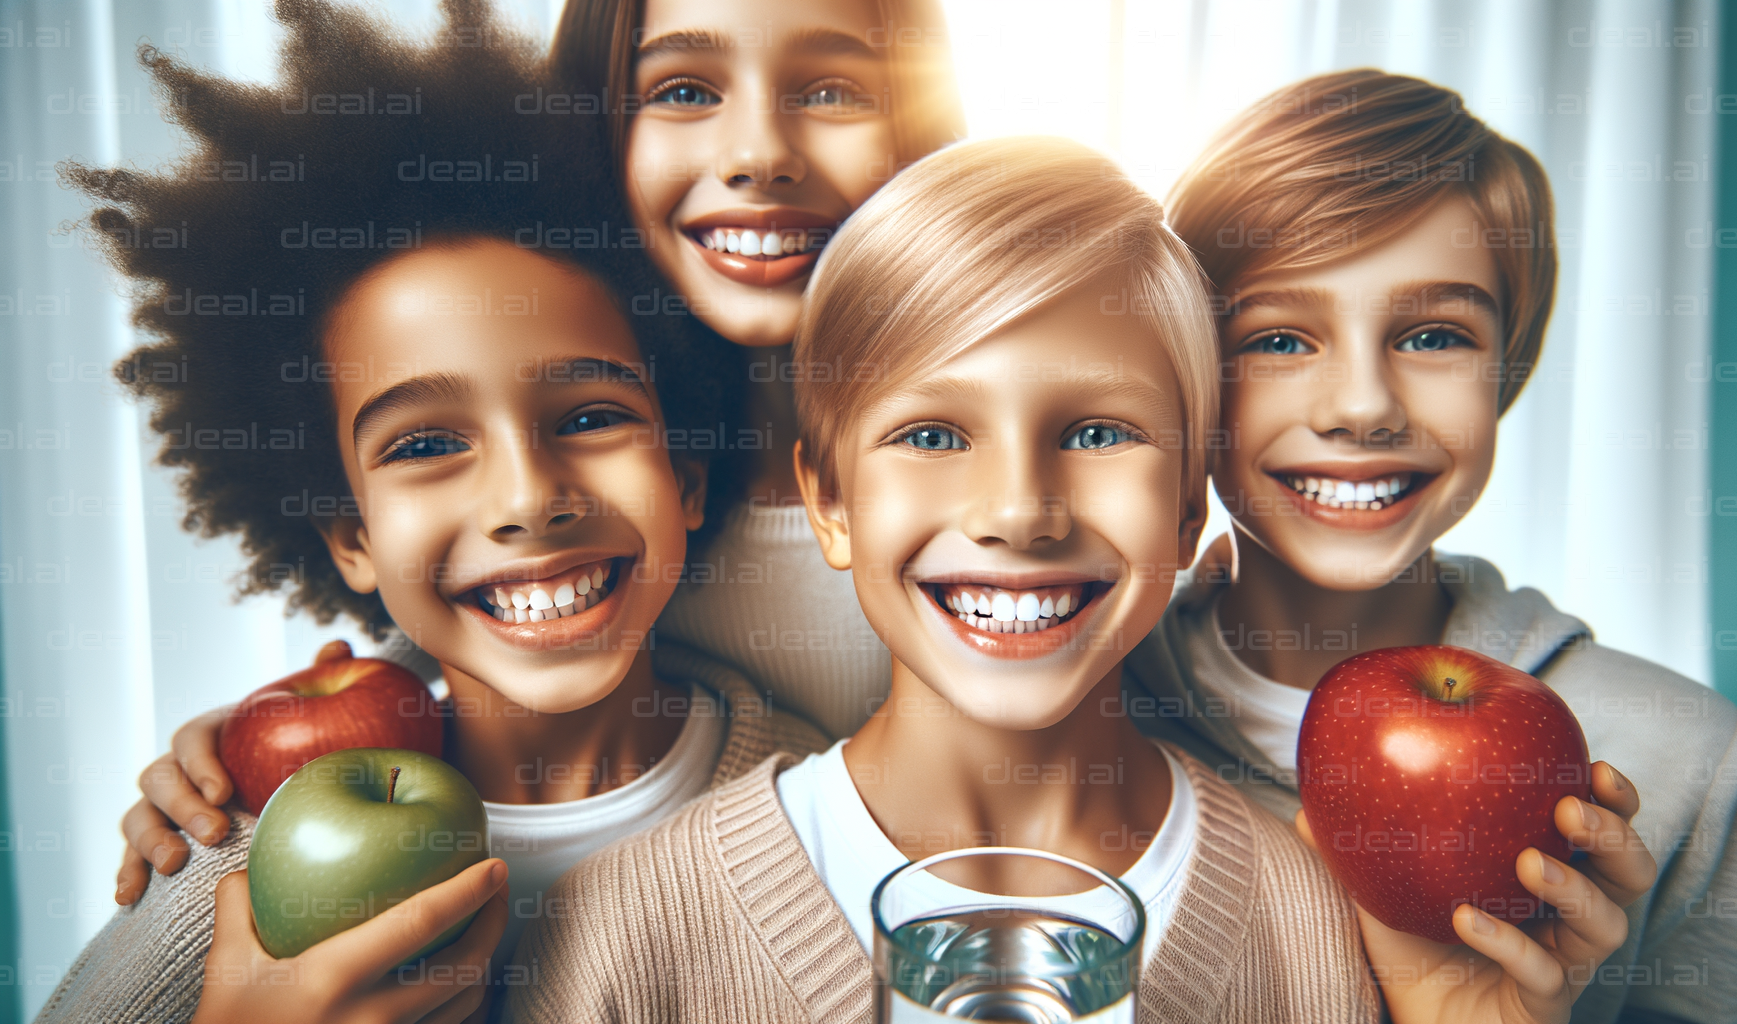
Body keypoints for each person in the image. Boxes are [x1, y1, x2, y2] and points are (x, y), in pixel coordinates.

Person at [503, 135, 1652, 1024]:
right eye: (935, 435)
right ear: (831, 502)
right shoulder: (627, 928)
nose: (1019, 512)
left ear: (1191, 502)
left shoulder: (1314, 924)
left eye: (1100, 434)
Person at [37, 2, 825, 1021]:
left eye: (589, 415)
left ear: (687, 475)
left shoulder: (821, 813)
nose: (528, 496)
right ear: (353, 537)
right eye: (424, 444)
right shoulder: (243, 840)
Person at [114, 0, 969, 906]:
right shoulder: (579, 353)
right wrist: (294, 744)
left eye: (831, 88)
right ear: (598, 138)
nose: (759, 151)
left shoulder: (997, 482)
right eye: (682, 89)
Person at [1124, 69, 1737, 1022]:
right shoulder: (1073, 702)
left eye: (1434, 335)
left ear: (1505, 372)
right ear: (1188, 373)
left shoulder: (1689, 759)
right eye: (1277, 339)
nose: (1362, 406)